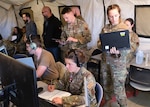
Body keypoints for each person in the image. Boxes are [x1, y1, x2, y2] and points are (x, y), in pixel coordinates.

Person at [97, 4, 130, 107]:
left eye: (115, 15)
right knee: (106, 86)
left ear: (119, 14)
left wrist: (118, 52)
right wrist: (104, 46)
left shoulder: (124, 28)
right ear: (108, 16)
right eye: (111, 16)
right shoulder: (105, 28)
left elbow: (129, 48)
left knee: (119, 90)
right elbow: (99, 43)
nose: (113, 18)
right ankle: (108, 104)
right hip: (106, 62)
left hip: (118, 65)